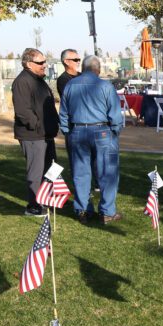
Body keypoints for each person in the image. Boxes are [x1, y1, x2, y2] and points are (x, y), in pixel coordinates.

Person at [59, 55, 124, 224]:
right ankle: (107, 211)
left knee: (81, 173)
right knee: (108, 172)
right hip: (102, 131)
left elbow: (63, 112)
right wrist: (115, 131)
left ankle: (83, 210)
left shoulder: (70, 85)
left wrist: (67, 131)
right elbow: (115, 114)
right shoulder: (105, 86)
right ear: (98, 69)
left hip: (78, 131)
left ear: (84, 68)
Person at [12, 48, 59, 216]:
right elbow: (23, 111)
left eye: (44, 62)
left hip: (46, 134)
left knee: (50, 168)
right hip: (33, 135)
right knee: (36, 171)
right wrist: (37, 125)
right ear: (28, 64)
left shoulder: (39, 80)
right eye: (40, 62)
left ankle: (46, 199)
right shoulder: (22, 81)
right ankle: (33, 206)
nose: (44, 65)